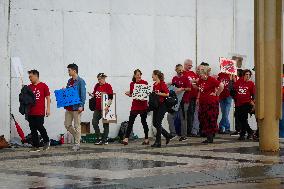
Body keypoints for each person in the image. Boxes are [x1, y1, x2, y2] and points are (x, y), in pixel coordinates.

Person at [197, 66, 224, 143]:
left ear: (205, 74)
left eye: (201, 75)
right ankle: (208, 135)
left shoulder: (211, 79)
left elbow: (221, 85)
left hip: (211, 103)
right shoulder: (201, 80)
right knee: (203, 119)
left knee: (210, 119)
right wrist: (198, 98)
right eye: (200, 75)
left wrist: (217, 93)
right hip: (203, 103)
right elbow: (200, 89)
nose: (200, 76)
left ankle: (210, 137)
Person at [122, 69, 150, 145]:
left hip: (143, 105)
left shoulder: (145, 83)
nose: (139, 76)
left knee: (144, 122)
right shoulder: (132, 84)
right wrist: (129, 94)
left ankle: (146, 139)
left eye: (139, 74)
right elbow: (132, 94)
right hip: (135, 105)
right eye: (137, 75)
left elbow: (147, 93)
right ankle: (126, 138)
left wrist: (141, 96)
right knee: (131, 122)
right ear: (134, 75)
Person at [64, 63, 86, 151]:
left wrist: (81, 105)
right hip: (69, 107)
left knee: (77, 126)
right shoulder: (69, 81)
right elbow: (68, 92)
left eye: (69, 70)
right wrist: (64, 91)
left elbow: (83, 94)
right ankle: (77, 136)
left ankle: (77, 144)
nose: (68, 72)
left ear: (74, 70)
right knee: (67, 125)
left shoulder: (81, 81)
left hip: (77, 107)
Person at [27, 70, 50, 152]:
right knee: (32, 128)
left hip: (39, 111)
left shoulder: (44, 86)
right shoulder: (29, 87)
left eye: (31, 76)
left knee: (39, 126)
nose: (30, 78)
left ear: (36, 76)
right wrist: (23, 90)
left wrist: (48, 109)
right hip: (30, 111)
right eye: (29, 77)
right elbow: (25, 99)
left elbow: (48, 98)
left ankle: (46, 141)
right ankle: (36, 146)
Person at [167, 64, 191, 141]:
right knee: (169, 116)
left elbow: (189, 89)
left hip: (184, 101)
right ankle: (173, 134)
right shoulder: (174, 78)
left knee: (183, 118)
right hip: (176, 101)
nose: (181, 71)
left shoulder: (185, 78)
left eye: (182, 69)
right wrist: (170, 85)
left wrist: (182, 89)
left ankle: (184, 136)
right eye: (179, 69)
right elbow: (173, 87)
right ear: (176, 70)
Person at [232, 69, 255, 140]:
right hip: (239, 103)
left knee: (243, 118)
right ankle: (249, 131)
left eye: (249, 75)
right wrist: (232, 81)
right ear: (243, 75)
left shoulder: (251, 83)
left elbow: (253, 94)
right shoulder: (239, 81)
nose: (248, 76)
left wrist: (253, 102)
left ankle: (244, 133)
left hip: (246, 103)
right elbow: (234, 90)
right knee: (240, 118)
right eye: (246, 74)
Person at [151, 70, 171, 148]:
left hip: (162, 105)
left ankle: (158, 142)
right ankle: (167, 135)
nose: (152, 76)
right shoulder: (154, 84)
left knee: (158, 123)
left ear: (156, 75)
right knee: (155, 123)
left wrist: (158, 93)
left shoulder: (162, 84)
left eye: (153, 75)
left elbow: (167, 93)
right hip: (156, 105)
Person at [92, 73, 113, 145]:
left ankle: (105, 139)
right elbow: (94, 94)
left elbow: (110, 98)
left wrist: (107, 106)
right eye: (98, 79)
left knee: (105, 124)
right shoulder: (96, 86)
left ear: (104, 78)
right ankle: (99, 138)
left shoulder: (108, 86)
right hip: (97, 108)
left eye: (100, 79)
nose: (99, 81)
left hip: (105, 108)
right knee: (94, 122)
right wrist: (91, 95)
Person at [183, 59, 199, 136]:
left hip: (194, 96)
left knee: (192, 114)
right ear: (185, 64)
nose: (190, 67)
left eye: (191, 65)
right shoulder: (182, 73)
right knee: (188, 114)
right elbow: (182, 82)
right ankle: (188, 131)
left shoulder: (192, 73)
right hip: (187, 97)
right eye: (189, 65)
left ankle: (193, 130)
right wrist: (192, 82)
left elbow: (197, 82)